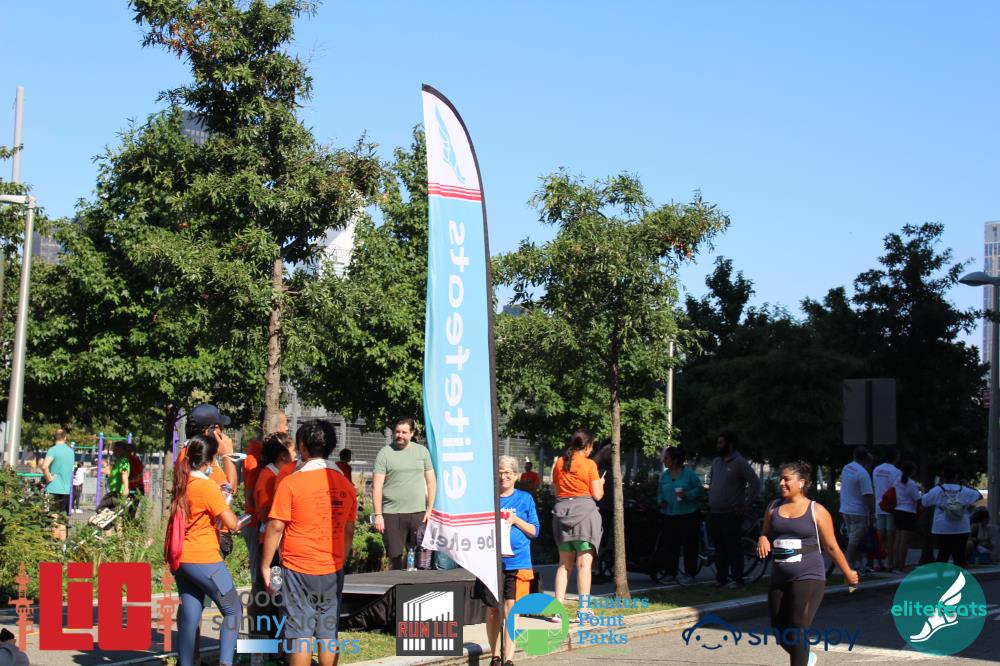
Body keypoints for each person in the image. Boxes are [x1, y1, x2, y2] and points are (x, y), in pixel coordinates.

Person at [262, 421, 357, 666]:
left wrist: (266, 566)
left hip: (298, 568)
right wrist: (342, 559)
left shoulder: (291, 483)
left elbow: (275, 526)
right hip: (332, 568)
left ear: (303, 447)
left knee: (300, 633)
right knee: (328, 631)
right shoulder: (346, 486)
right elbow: (349, 529)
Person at [758, 462, 859, 666]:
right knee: (779, 630)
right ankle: (806, 657)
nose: (782, 483)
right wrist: (762, 539)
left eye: (787, 479)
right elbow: (765, 533)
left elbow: (831, 547)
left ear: (801, 482)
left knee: (797, 625)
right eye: (781, 479)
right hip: (779, 576)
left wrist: (848, 572)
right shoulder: (773, 507)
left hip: (808, 575)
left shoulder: (816, 510)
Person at [169, 434, 242, 666]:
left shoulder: (183, 484)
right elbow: (232, 523)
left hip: (182, 559)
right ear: (209, 461)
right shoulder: (206, 487)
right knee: (233, 610)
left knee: (190, 615)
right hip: (206, 560)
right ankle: (225, 662)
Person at [485, 456, 539, 666]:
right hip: (491, 563)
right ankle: (495, 657)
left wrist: (516, 520)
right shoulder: (488, 499)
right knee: (492, 611)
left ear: (515, 476)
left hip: (518, 562)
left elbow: (534, 531)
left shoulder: (525, 499)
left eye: (507, 472)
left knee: (511, 609)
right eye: (500, 472)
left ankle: (508, 659)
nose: (503, 476)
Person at [551, 428, 603, 619]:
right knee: (583, 564)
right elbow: (597, 495)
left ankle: (557, 610)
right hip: (585, 516)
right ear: (587, 446)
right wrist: (601, 484)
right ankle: (584, 609)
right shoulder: (589, 464)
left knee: (563, 565)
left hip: (562, 514)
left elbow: (557, 490)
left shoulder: (559, 462)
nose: (592, 450)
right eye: (592, 446)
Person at [372, 418, 437, 570]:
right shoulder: (385, 453)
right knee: (395, 556)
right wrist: (378, 515)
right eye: (397, 432)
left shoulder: (422, 452)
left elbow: (431, 482)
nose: (400, 435)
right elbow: (376, 487)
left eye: (404, 432)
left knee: (419, 557)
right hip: (391, 513)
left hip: (418, 513)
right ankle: (396, 582)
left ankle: (414, 583)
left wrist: (430, 509)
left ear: (412, 433)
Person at [707, 432, 760, 588]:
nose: (718, 446)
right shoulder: (716, 462)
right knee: (719, 547)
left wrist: (746, 504)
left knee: (733, 547)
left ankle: (737, 579)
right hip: (715, 512)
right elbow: (713, 482)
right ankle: (721, 578)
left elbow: (755, 483)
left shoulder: (740, 462)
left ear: (730, 444)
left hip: (731, 513)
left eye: (721, 443)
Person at [243, 411, 287, 587]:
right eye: (285, 423)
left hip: (265, 526)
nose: (287, 428)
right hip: (257, 524)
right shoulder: (256, 452)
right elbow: (250, 492)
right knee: (261, 578)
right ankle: (260, 604)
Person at [656, 446, 703, 585]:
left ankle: (690, 574)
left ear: (675, 460)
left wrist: (686, 495)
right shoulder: (665, 475)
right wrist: (660, 501)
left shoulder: (689, 474)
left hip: (688, 514)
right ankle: (671, 573)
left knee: (689, 545)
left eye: (666, 458)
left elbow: (699, 489)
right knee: (670, 544)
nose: (664, 460)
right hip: (668, 514)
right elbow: (659, 491)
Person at [921, 467, 982, 568]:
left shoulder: (937, 490)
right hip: (961, 527)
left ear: (943, 478)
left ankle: (940, 577)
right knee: (960, 557)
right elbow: (979, 496)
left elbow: (924, 501)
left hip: (942, 528)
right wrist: (966, 485)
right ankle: (960, 577)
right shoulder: (964, 490)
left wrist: (937, 486)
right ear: (956, 477)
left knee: (942, 555)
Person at [838, 446, 874, 574]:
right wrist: (872, 511)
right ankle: (847, 565)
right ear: (866, 458)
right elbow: (868, 496)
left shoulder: (847, 468)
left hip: (846, 509)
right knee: (855, 540)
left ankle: (858, 564)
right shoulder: (863, 474)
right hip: (858, 511)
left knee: (853, 537)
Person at [872, 450, 901, 571]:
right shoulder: (896, 472)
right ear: (896, 458)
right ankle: (889, 562)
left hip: (879, 505)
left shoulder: (876, 469)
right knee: (890, 535)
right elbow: (897, 489)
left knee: (880, 535)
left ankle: (877, 562)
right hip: (890, 506)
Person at [890, 461, 921, 573]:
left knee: (897, 539)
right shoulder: (911, 483)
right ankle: (902, 565)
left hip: (898, 510)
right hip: (909, 512)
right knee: (905, 541)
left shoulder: (897, 481)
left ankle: (895, 563)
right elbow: (917, 498)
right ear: (912, 471)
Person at [41, 428, 74, 516]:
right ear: (65, 437)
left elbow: (44, 466)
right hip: (66, 489)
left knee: (52, 517)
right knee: (62, 517)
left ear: (55, 437)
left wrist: (48, 478)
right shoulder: (71, 452)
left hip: (53, 488)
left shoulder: (53, 450)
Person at [98, 442, 131, 512]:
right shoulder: (118, 461)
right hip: (114, 491)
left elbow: (124, 474)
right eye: (114, 449)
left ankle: (123, 504)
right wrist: (105, 471)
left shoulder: (123, 461)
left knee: (101, 507)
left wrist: (126, 488)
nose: (114, 452)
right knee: (110, 511)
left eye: (117, 450)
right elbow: (113, 473)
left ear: (123, 451)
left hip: (119, 493)